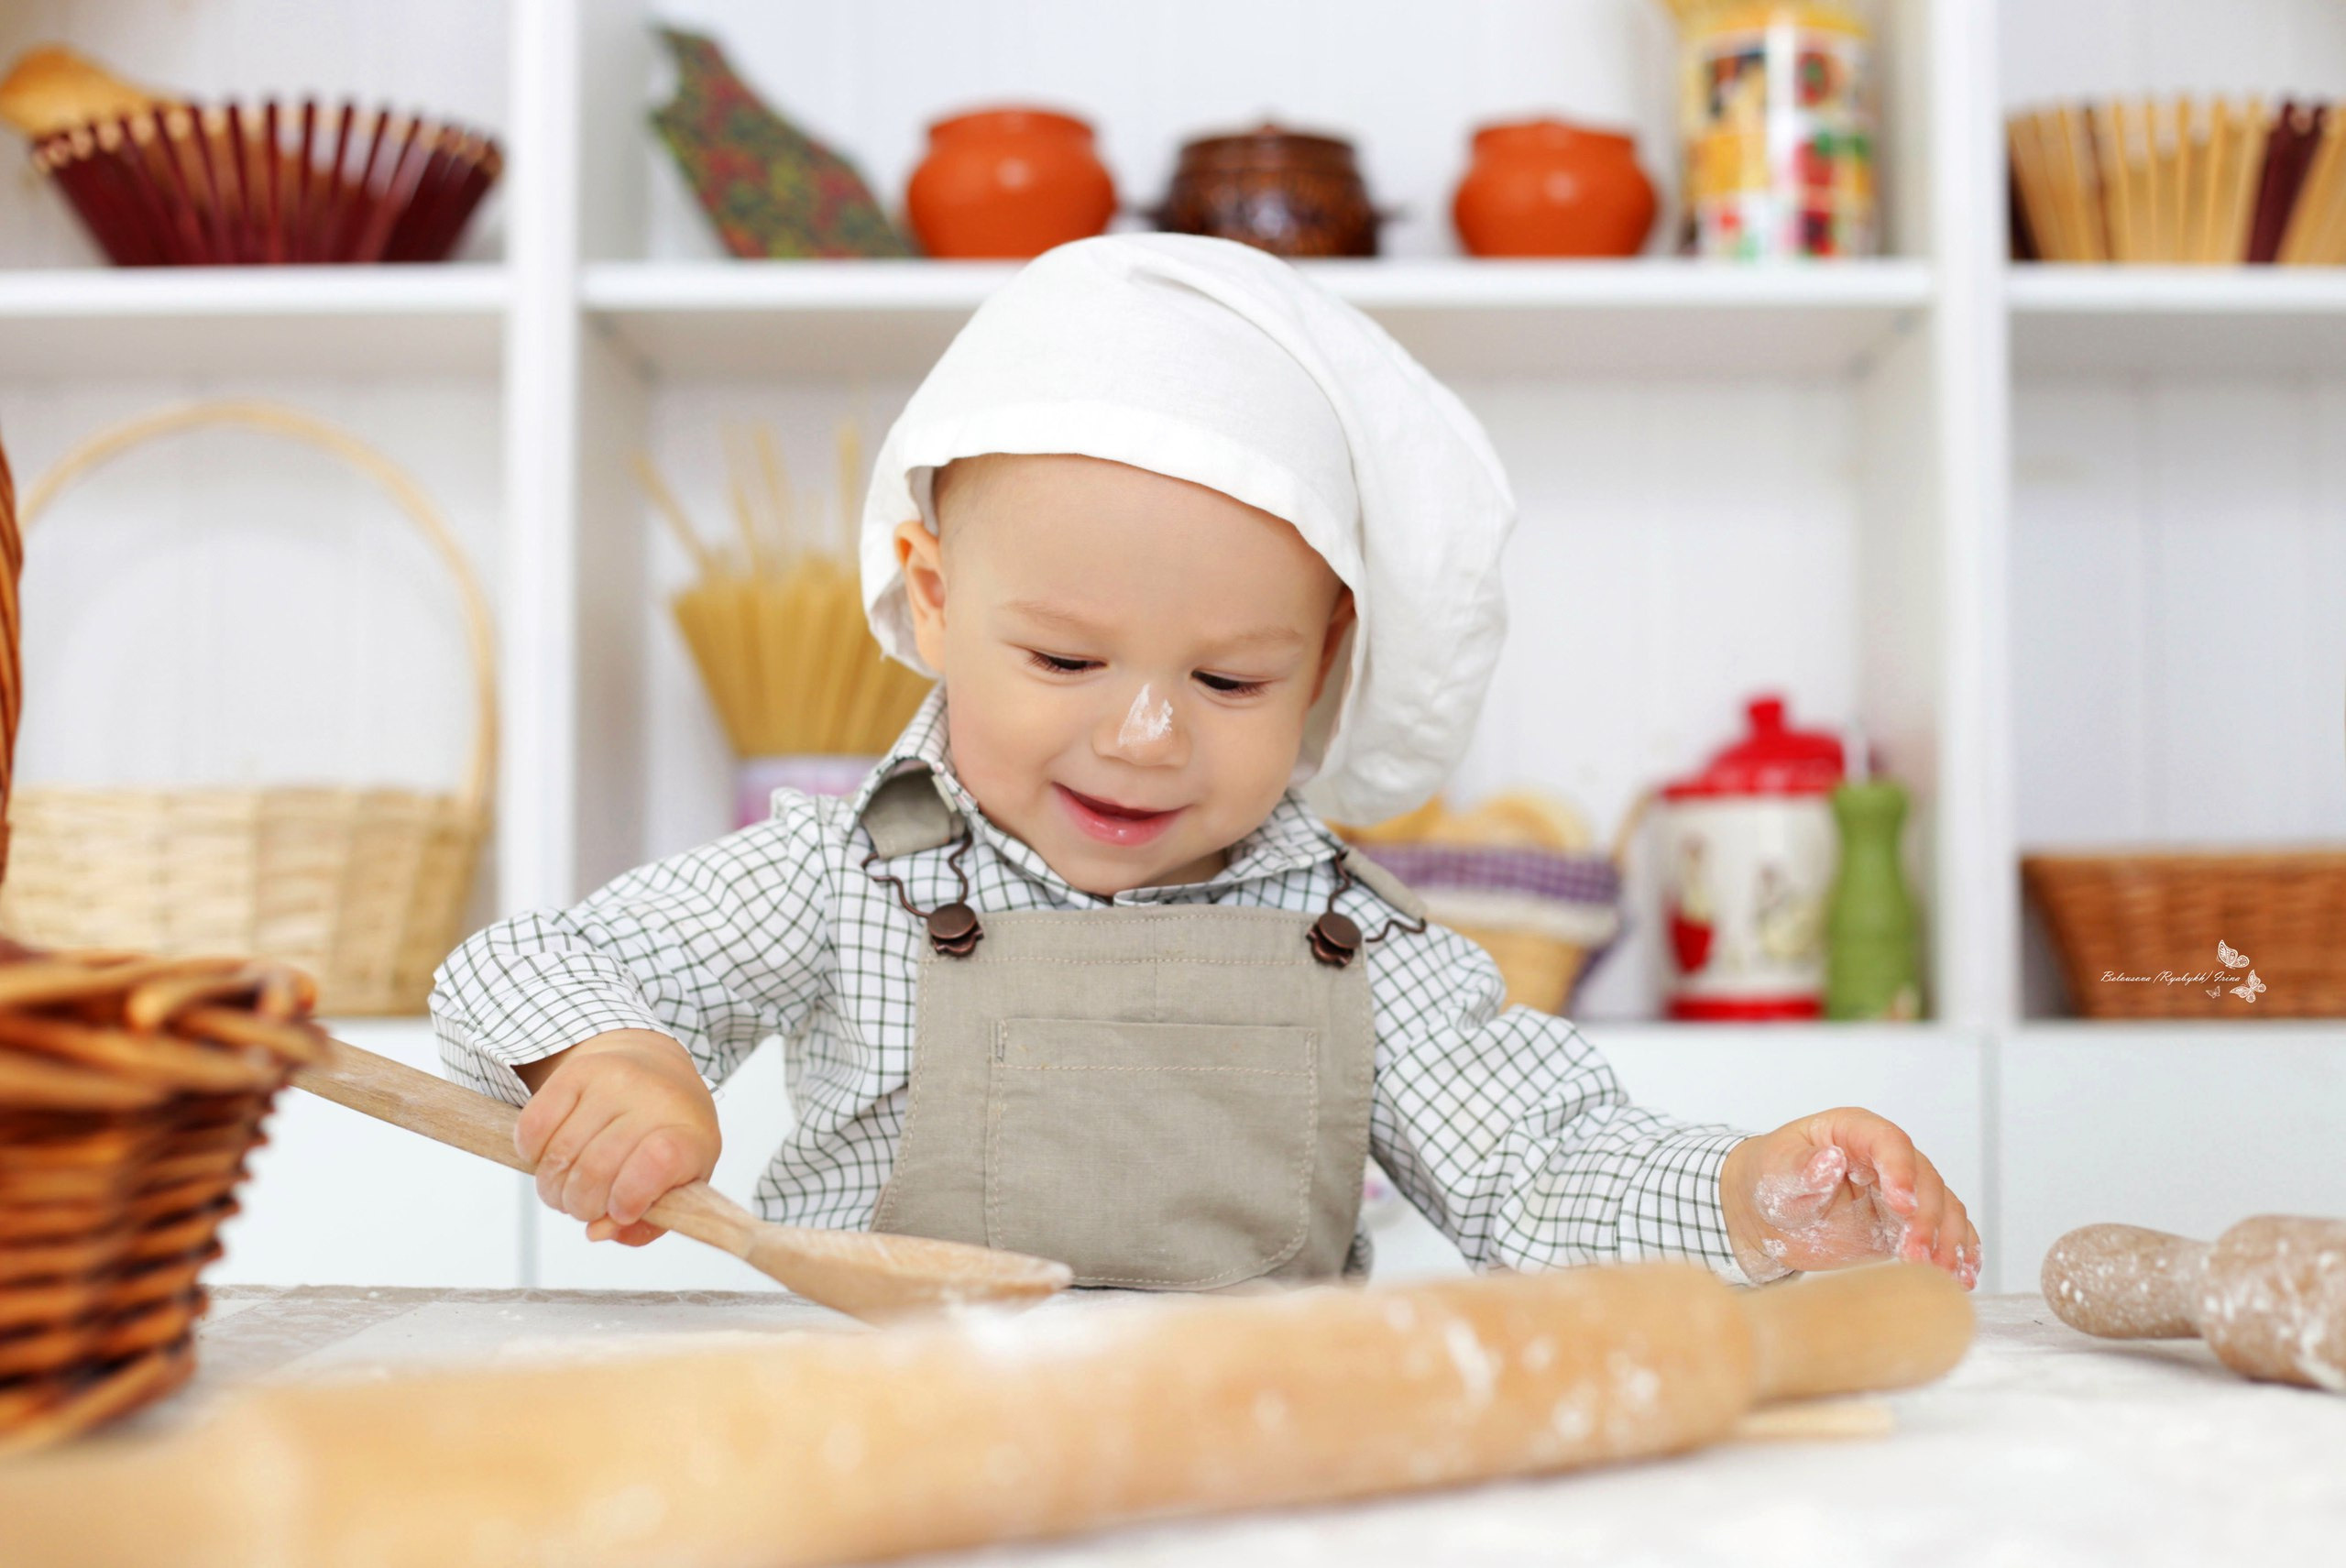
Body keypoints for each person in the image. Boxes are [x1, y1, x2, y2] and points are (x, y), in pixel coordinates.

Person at [433, 234, 1979, 1293]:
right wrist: (618, 1064)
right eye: (1065, 661)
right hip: (876, 1440)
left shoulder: (1353, 934)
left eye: (1233, 677)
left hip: (1262, 1459)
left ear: (1328, 663)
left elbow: (1539, 1166)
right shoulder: (852, 866)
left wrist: (1742, 1196)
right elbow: (532, 962)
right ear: (933, 592)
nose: (1145, 733)